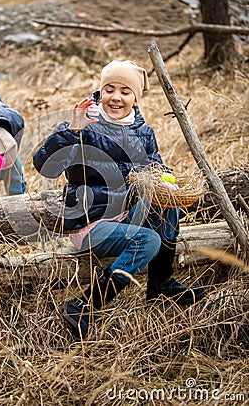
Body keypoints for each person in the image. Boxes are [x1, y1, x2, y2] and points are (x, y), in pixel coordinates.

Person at [33, 60, 206, 338]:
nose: (116, 97)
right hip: (91, 223)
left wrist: (165, 180)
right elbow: (43, 165)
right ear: (101, 92)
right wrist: (71, 131)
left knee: (165, 203)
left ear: (136, 98)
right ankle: (84, 306)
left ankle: (161, 285)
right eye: (109, 89)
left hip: (126, 215)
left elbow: (155, 168)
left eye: (125, 91)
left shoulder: (143, 131)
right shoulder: (84, 126)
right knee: (147, 240)